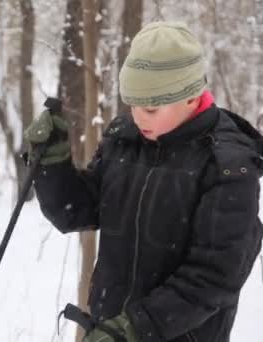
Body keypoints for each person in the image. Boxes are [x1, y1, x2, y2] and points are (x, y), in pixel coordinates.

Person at [24, 21, 263, 342]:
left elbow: (214, 278)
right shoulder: (125, 140)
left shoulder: (228, 168)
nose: (137, 116)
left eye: (150, 108)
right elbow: (75, 211)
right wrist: (52, 163)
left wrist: (133, 328)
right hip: (108, 329)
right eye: (132, 104)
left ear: (192, 98)